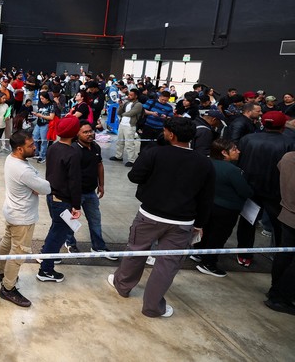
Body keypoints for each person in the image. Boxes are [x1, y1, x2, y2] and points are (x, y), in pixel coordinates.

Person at [108, 117, 215, 318]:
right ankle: (153, 306)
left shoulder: (155, 153)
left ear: (170, 134)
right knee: (167, 264)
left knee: (136, 251)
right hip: (183, 221)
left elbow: (134, 176)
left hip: (150, 214)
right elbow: (206, 197)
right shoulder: (204, 162)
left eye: (165, 131)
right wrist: (200, 224)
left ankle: (122, 286)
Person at [0, 131, 50, 308]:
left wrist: (35, 184)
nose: (35, 147)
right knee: (19, 253)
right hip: (23, 217)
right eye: (30, 145)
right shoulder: (23, 170)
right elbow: (46, 187)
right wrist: (37, 184)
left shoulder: (11, 159)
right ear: (19, 148)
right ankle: (8, 287)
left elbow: (37, 184)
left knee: (7, 243)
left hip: (12, 212)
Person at [235, 111, 295, 267]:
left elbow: (238, 161)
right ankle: (279, 256)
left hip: (249, 189)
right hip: (276, 193)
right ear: (283, 126)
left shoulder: (247, 139)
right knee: (279, 227)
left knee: (247, 222)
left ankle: (243, 255)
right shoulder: (289, 143)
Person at [191, 138, 254, 277]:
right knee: (218, 236)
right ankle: (209, 263)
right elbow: (245, 191)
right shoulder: (233, 170)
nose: (238, 151)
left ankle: (199, 253)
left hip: (208, 205)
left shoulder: (207, 163)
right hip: (226, 210)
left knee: (206, 231)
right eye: (234, 149)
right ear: (224, 153)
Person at [36, 116, 83, 283]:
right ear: (74, 132)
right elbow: (75, 182)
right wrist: (76, 206)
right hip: (64, 200)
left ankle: (47, 254)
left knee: (56, 228)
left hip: (51, 196)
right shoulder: (73, 153)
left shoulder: (53, 148)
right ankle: (46, 270)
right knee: (58, 234)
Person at [64, 121, 116, 258]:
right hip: (76, 193)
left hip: (91, 192)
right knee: (71, 220)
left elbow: (99, 166)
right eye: (85, 132)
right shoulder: (74, 150)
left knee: (95, 220)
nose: (89, 134)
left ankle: (98, 247)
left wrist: (101, 185)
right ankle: (70, 243)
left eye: (90, 131)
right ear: (77, 134)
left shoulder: (95, 147)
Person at [266, 151, 295, 315]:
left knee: (283, 255)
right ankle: (281, 297)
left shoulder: (288, 157)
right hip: (291, 213)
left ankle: (276, 290)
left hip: (286, 212)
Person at [111, 88, 143, 167]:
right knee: (120, 141)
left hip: (130, 125)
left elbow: (131, 113)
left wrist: (123, 114)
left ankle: (132, 160)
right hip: (122, 124)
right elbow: (119, 112)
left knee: (129, 143)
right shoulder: (126, 103)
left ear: (136, 96)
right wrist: (121, 105)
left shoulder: (138, 104)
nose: (129, 96)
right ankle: (119, 156)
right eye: (129, 94)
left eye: (131, 95)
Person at [31, 92, 57, 163]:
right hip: (38, 124)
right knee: (34, 138)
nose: (41, 100)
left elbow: (51, 117)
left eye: (42, 99)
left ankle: (42, 156)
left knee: (43, 141)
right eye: (40, 99)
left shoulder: (51, 106)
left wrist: (41, 115)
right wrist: (36, 114)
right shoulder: (42, 104)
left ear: (47, 98)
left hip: (45, 125)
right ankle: (36, 152)